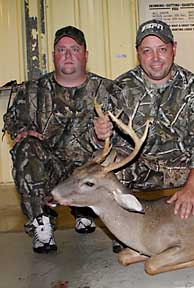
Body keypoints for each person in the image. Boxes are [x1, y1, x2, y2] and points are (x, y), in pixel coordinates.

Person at [94, 19, 194, 223]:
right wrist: (102, 134)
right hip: (142, 169)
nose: (155, 58)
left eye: (162, 49)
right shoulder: (120, 88)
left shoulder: (192, 86)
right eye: (147, 51)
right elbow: (106, 138)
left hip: (184, 167)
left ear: (173, 49)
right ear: (138, 53)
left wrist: (192, 185)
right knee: (103, 167)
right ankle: (128, 224)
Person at [3, 26, 121, 253]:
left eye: (74, 49)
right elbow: (12, 119)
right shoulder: (33, 90)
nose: (68, 55)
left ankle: (93, 214)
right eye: (61, 49)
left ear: (85, 55)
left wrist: (107, 134)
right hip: (52, 170)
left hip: (90, 169)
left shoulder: (107, 90)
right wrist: (22, 130)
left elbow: (125, 130)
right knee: (26, 148)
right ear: (54, 54)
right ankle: (42, 222)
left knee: (117, 155)